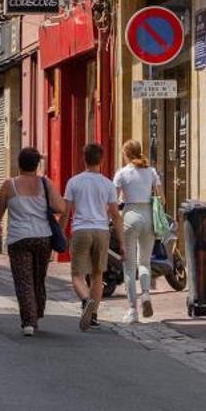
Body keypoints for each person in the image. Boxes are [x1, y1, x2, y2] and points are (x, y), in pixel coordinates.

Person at [0, 147, 68, 336]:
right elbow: (60, 207)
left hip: (19, 238)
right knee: (38, 278)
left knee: (23, 280)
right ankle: (37, 312)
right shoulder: (45, 183)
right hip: (43, 237)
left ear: (19, 163)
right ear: (37, 165)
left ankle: (29, 321)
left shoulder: (9, 185)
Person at [63, 141, 124, 331]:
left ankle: (85, 300)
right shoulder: (107, 184)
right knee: (97, 275)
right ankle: (94, 314)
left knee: (77, 275)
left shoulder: (74, 182)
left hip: (81, 229)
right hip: (101, 231)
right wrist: (122, 242)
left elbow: (66, 212)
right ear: (101, 160)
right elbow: (115, 214)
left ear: (84, 159)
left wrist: (60, 232)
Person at [114, 139, 163, 323]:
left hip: (130, 215)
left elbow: (114, 200)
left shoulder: (122, 173)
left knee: (128, 265)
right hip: (148, 216)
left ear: (126, 154)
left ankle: (133, 310)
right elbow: (161, 198)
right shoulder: (150, 171)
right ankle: (146, 295)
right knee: (144, 262)